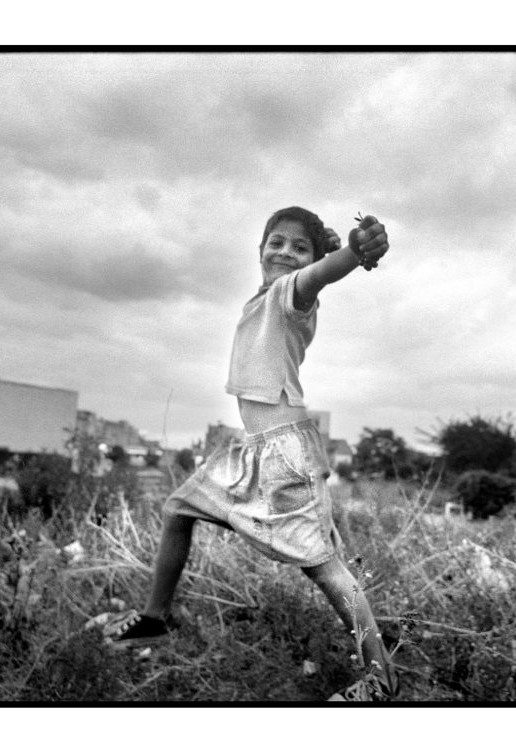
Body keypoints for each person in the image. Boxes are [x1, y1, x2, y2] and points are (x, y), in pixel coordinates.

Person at [108, 206, 396, 701]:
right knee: (178, 508)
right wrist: (324, 246)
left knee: (323, 566)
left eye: (298, 247)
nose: (284, 252)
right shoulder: (262, 299)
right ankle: (156, 619)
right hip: (252, 450)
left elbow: (320, 275)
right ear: (260, 248)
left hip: (285, 454)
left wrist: (351, 252)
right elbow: (311, 264)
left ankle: (382, 677)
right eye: (276, 241)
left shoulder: (291, 294)